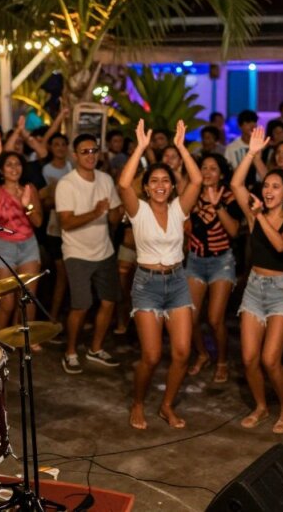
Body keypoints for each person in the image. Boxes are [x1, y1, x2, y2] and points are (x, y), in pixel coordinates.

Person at [118, 119, 202, 430]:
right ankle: (138, 402)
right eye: (154, 181)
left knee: (182, 352)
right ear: (147, 185)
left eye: (165, 180)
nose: (160, 185)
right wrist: (140, 148)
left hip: (177, 282)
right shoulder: (137, 210)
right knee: (151, 356)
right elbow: (123, 184)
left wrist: (181, 147)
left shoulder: (180, 209)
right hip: (147, 284)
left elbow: (196, 181)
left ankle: (166, 405)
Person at [232, 129, 283, 433]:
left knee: (270, 359)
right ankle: (262, 406)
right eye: (266, 185)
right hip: (254, 287)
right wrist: (251, 154)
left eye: (275, 186)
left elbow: (280, 245)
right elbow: (236, 184)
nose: (268, 190)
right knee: (249, 358)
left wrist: (260, 215)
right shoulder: (255, 214)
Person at [56, 133, 124, 373]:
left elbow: (114, 215)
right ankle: (71, 351)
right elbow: (66, 222)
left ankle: (95, 348)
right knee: (81, 305)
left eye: (94, 150)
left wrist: (121, 205)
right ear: (75, 156)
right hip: (76, 253)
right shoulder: (67, 184)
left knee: (109, 301)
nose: (90, 155)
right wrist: (96, 213)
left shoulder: (105, 179)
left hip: (104, 250)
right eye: (85, 151)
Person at [0, 132, 43, 331]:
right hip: (2, 246)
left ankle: (24, 340)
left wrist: (26, 206)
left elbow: (38, 222)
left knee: (28, 298)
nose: (14, 168)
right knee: (7, 303)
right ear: (1, 171)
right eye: (9, 164)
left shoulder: (29, 189)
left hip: (28, 245)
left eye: (18, 164)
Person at [185, 153, 240, 383]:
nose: (207, 172)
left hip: (221, 262)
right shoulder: (192, 193)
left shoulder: (229, 196)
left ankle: (222, 361)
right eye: (203, 168)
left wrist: (217, 206)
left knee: (215, 319)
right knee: (191, 318)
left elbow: (234, 231)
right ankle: (203, 354)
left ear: (222, 175)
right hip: (195, 260)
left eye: (213, 169)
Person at [42, 132, 73, 323]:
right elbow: (47, 200)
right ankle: (52, 316)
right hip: (55, 228)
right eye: (56, 144)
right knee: (61, 274)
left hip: (73, 229)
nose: (60, 148)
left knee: (69, 274)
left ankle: (65, 313)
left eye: (63, 144)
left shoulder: (71, 167)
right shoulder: (46, 170)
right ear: (51, 148)